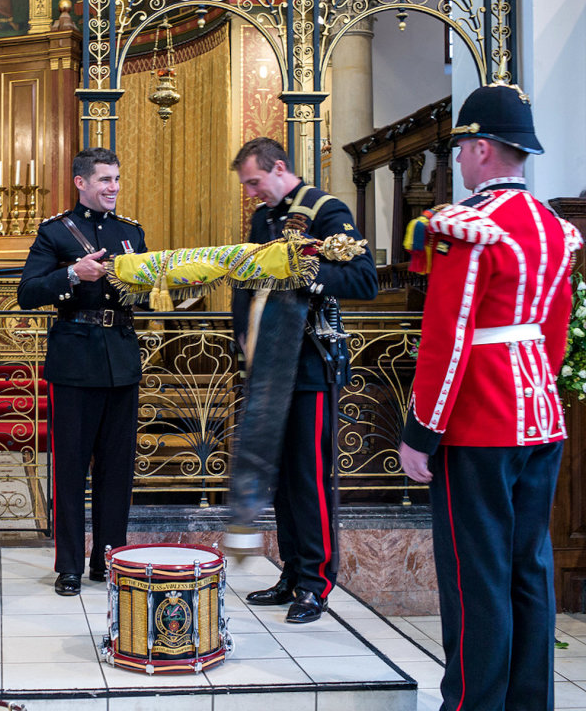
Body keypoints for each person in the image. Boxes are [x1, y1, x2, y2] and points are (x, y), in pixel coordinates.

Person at [399, 81, 583, 709]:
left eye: (461, 146)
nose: (456, 157)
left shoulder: (468, 228)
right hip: (541, 416)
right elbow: (553, 333)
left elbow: (447, 336)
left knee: (475, 578)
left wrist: (422, 429)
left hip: (478, 421)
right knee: (528, 570)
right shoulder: (556, 229)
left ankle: (474, 704)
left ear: (481, 148)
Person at [232, 137, 378, 623]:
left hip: (311, 363)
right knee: (280, 478)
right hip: (271, 363)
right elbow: (249, 279)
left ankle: (316, 584)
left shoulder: (326, 211)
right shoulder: (264, 219)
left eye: (255, 181)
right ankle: (293, 572)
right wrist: (243, 342)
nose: (252, 192)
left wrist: (307, 275)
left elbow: (363, 280)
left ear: (278, 167)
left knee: (309, 477)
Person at [17, 148, 146, 597]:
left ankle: (108, 559)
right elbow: (28, 292)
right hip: (74, 362)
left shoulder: (130, 232)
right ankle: (69, 564)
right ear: (81, 182)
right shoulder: (55, 233)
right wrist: (73, 273)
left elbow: (143, 295)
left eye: (116, 179)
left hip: (122, 362)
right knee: (70, 469)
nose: (113, 187)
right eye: (105, 180)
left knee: (117, 470)